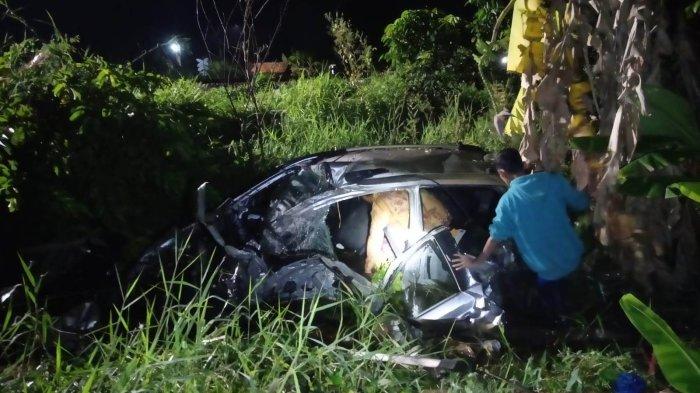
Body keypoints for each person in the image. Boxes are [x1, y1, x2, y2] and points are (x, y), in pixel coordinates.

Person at [451, 148, 589, 317]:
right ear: (522, 164)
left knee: (560, 315)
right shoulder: (553, 181)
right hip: (575, 258)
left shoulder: (508, 202)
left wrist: (475, 261)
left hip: (549, 272)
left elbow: (495, 237)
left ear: (502, 173)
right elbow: (581, 203)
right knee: (585, 304)